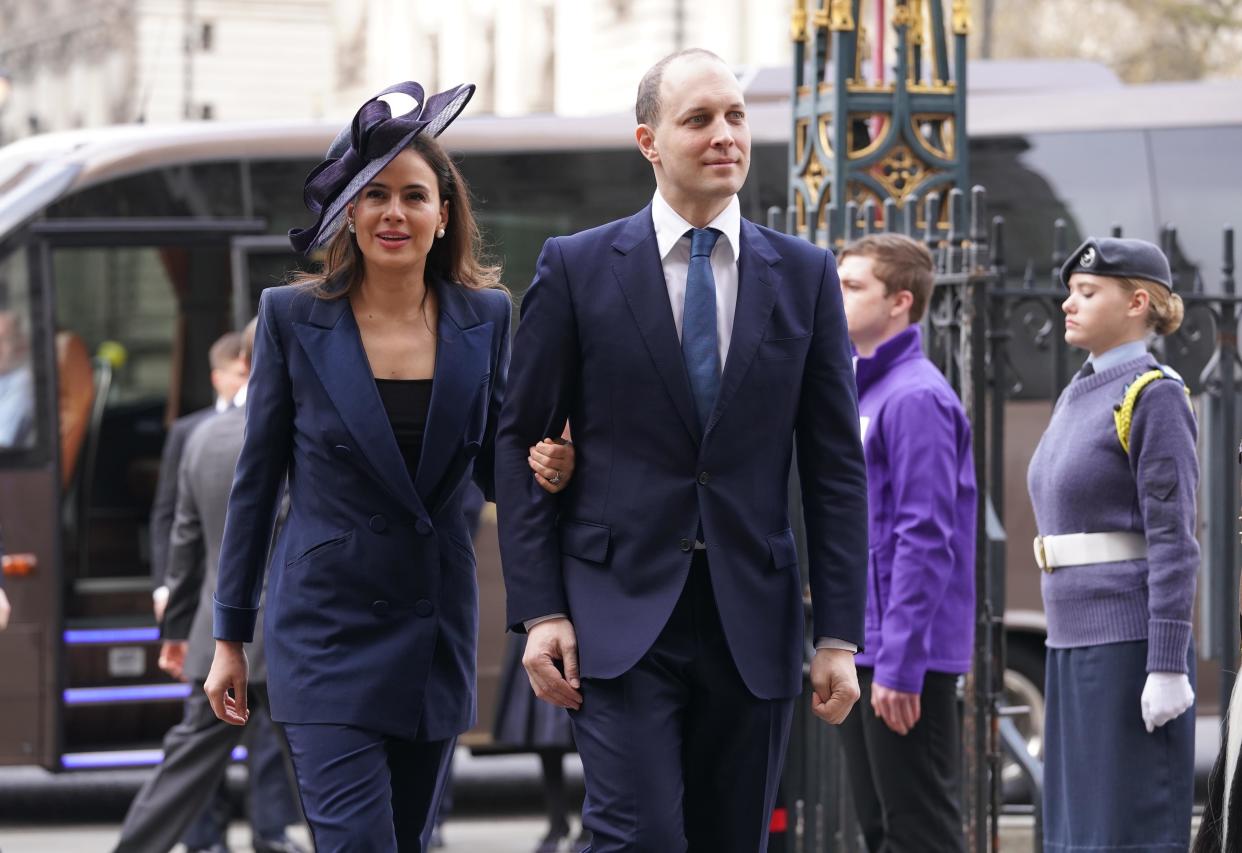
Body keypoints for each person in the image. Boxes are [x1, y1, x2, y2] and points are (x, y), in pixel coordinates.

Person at [495, 49, 868, 852]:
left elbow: (836, 467)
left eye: (735, 116)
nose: (725, 134)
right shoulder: (579, 266)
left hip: (752, 617)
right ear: (649, 141)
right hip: (616, 612)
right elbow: (519, 437)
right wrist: (542, 610)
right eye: (698, 119)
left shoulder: (804, 276)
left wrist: (839, 633)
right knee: (642, 837)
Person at [203, 81, 573, 852]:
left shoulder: (489, 317)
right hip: (325, 634)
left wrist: (551, 470)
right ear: (348, 212)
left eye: (414, 195)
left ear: (444, 215)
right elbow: (256, 484)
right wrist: (229, 636)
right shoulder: (292, 316)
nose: (394, 213)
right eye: (374, 195)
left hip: (432, 627)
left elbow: (492, 466)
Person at [1028, 237, 1198, 852]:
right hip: (1070, 636)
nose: (1068, 304)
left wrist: (1166, 661)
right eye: (1070, 291)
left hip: (1126, 643)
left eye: (1087, 292)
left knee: (1124, 832)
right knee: (1077, 835)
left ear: (1138, 301)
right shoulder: (1081, 391)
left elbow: (1175, 538)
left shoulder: (1153, 395)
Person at [113, 320, 307, 853]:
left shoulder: (201, 435)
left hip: (216, 635)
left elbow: (185, 541)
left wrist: (176, 631)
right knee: (324, 780)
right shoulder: (305, 429)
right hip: (295, 636)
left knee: (182, 771)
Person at [834, 234, 974, 852]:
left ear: (901, 302)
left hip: (903, 657)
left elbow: (926, 534)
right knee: (882, 831)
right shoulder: (866, 388)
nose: (835, 297)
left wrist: (900, 660)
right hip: (869, 650)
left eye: (852, 286)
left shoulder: (917, 396)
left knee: (920, 832)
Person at [150, 331, 249, 622]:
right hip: (199, 581)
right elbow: (168, 513)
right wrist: (163, 586)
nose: (247, 383)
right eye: (240, 374)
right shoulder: (188, 431)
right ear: (217, 378)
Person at [0, 308, 34, 449]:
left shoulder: (22, 382)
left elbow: (3, 443)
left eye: (2, 339)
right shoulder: (4, 376)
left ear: (22, 345)